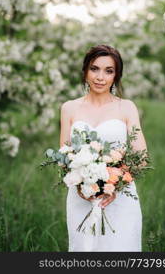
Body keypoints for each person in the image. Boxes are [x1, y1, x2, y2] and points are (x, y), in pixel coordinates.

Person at [59, 44, 148, 252]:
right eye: (94, 68)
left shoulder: (126, 107)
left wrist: (113, 184)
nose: (100, 77)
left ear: (116, 76)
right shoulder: (69, 108)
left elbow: (142, 159)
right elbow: (64, 158)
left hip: (120, 198)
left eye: (109, 71)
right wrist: (83, 186)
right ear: (85, 71)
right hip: (81, 198)